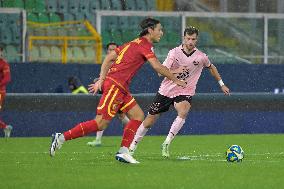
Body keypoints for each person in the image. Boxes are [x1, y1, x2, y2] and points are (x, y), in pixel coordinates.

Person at [49, 18, 186, 164]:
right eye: (159, 29)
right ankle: (61, 137)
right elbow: (157, 67)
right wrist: (176, 79)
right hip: (116, 86)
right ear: (150, 30)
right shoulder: (144, 46)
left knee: (138, 116)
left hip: (120, 87)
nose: (162, 33)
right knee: (100, 123)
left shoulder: (132, 43)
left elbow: (109, 58)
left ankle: (123, 152)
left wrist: (102, 80)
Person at [129, 26, 230, 159]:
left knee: (184, 110)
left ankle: (166, 143)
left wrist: (221, 84)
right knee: (149, 121)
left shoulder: (201, 57)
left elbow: (211, 67)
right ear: (184, 38)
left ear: (196, 39)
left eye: (193, 39)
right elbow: (160, 72)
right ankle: (132, 147)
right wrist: (177, 71)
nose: (190, 42)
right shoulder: (174, 53)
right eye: (188, 38)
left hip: (185, 91)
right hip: (166, 91)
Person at [86, 42, 130, 147]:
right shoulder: (108, 62)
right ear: (107, 51)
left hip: (118, 92)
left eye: (114, 49)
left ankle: (135, 133)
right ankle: (134, 133)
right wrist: (99, 82)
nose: (112, 51)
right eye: (110, 50)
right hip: (111, 92)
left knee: (107, 116)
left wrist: (99, 82)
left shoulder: (120, 62)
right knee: (118, 116)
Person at [0, 45, 12, 137]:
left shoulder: (4, 64)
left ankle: (5, 126)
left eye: (1, 51)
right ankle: (5, 127)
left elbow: (7, 78)